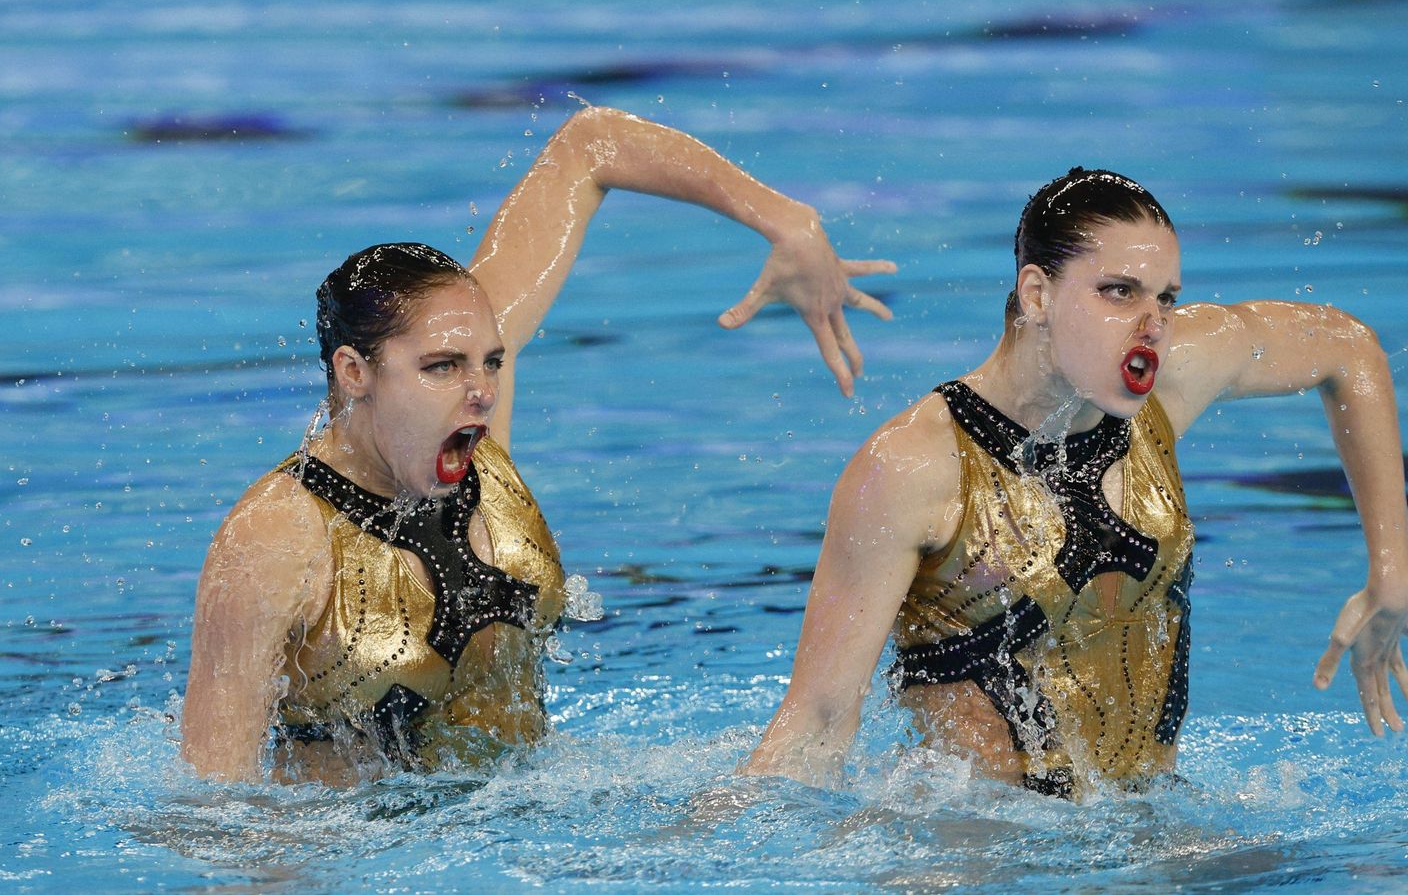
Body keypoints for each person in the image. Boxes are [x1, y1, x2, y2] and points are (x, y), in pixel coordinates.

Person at [181, 106, 895, 782]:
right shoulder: (271, 543)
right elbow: (213, 809)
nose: (483, 389)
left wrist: (787, 221)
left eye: (492, 359)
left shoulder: (466, 427)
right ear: (355, 371)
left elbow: (590, 145)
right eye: (442, 367)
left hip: (527, 822)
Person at [742, 167, 1408, 798]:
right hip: (983, 852)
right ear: (1037, 292)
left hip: (1153, 825)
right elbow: (818, 721)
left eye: (1166, 298)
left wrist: (1393, 569)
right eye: (1118, 293)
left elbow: (1347, 348)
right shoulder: (911, 467)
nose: (1153, 326)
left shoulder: (1166, 386)